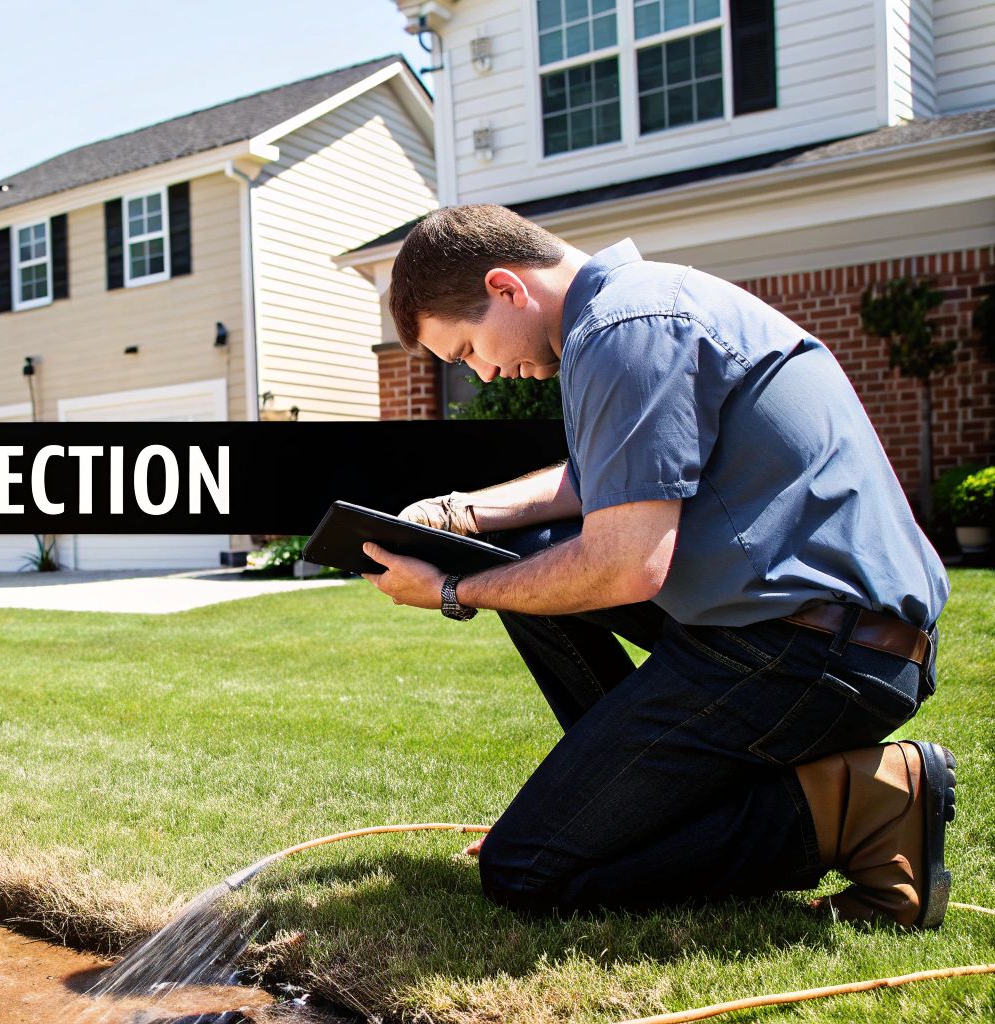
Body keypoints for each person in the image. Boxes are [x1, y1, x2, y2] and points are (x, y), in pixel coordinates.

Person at [362, 204, 956, 928]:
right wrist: (458, 513)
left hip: (813, 653)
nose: (483, 374)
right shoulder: (628, 313)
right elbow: (592, 481)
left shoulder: (622, 332)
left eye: (466, 351)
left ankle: (862, 806)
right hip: (809, 631)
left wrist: (452, 589)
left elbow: (626, 568)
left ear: (507, 288)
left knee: (524, 871)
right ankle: (622, 804)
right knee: (522, 557)